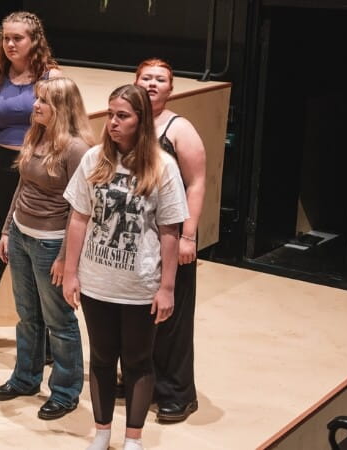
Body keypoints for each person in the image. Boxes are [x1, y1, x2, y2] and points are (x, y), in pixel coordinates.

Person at [62, 84, 188, 450]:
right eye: (111, 114)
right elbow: (79, 219)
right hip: (97, 280)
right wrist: (71, 273)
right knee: (101, 358)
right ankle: (102, 434)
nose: (113, 123)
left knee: (137, 361)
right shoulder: (94, 159)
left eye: (123, 116)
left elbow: (169, 231)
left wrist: (167, 287)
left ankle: (133, 439)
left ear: (141, 120)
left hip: (139, 285)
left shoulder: (162, 166)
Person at [0, 77, 94, 419]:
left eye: (44, 102)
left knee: (59, 321)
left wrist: (67, 258)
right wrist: (8, 230)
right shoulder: (35, 134)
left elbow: (81, 209)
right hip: (22, 235)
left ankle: (64, 392)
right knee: (27, 316)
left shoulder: (77, 149)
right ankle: (25, 378)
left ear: (62, 108)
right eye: (37, 99)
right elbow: (21, 185)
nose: (35, 106)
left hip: (51, 243)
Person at [0, 11, 62, 363]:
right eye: (5, 38)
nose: (9, 44)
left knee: (39, 258)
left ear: (35, 40)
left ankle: (46, 335)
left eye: (17, 38)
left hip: (36, 173)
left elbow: (63, 130)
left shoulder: (52, 78)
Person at [135, 57, 206, 423]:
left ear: (170, 89)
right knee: (139, 315)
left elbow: (196, 183)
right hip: (138, 240)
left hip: (172, 237)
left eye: (160, 79)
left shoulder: (180, 129)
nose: (152, 84)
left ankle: (178, 392)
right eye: (145, 77)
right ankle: (141, 380)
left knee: (173, 318)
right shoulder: (128, 122)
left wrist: (188, 237)